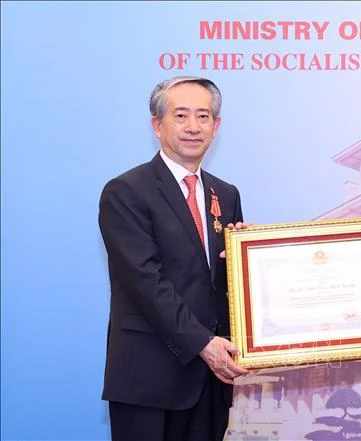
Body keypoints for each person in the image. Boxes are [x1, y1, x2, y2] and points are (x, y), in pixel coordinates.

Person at [98, 76, 249, 441]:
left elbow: (224, 283)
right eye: (181, 116)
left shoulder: (225, 194)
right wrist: (203, 344)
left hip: (211, 381)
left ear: (216, 126)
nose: (193, 127)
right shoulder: (126, 192)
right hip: (149, 378)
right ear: (157, 124)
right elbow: (145, 282)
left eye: (204, 116)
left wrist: (251, 257)